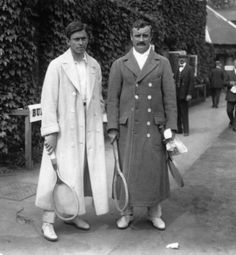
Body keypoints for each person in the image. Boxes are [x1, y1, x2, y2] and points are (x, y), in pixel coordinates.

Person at [35, 20, 109, 241]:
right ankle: (47, 222)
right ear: (68, 41)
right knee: (55, 174)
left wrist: (100, 122)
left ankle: (73, 214)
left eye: (84, 38)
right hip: (64, 130)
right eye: (76, 39)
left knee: (79, 172)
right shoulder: (57, 65)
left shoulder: (94, 65)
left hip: (88, 129)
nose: (80, 43)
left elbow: (98, 98)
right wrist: (51, 132)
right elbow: (48, 101)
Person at [107, 19, 177, 230]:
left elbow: (170, 98)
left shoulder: (161, 62)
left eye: (145, 35)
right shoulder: (120, 64)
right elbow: (112, 99)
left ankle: (154, 213)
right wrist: (112, 127)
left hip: (154, 127)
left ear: (150, 36)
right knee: (126, 170)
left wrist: (170, 128)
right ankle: (126, 213)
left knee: (153, 170)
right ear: (131, 36)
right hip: (128, 128)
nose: (141, 39)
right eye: (137, 36)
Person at [174, 53, 194, 136]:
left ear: (186, 59)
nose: (181, 60)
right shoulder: (177, 68)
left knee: (184, 113)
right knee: (177, 112)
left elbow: (191, 82)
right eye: (180, 58)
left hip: (185, 94)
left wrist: (189, 94)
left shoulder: (189, 69)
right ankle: (179, 129)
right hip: (177, 94)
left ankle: (186, 130)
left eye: (183, 58)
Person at [224, 58, 236, 131]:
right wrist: (229, 83)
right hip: (231, 94)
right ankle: (232, 121)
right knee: (229, 111)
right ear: (234, 64)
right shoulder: (228, 73)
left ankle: (235, 126)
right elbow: (224, 82)